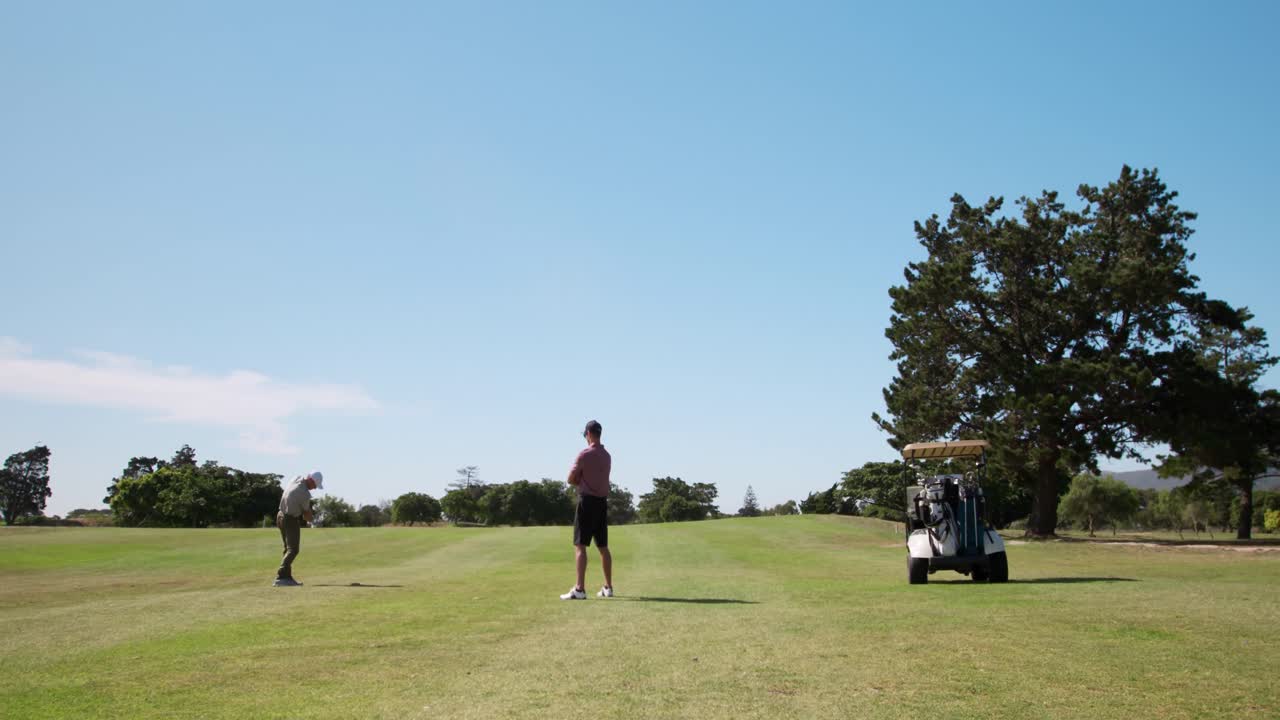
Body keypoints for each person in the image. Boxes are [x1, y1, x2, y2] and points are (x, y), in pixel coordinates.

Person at [561, 420, 613, 600]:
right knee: (603, 547)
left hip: (587, 503)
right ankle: (608, 587)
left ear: (589, 434)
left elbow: (570, 478)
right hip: (602, 503)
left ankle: (580, 589)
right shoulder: (607, 456)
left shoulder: (584, 454)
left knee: (580, 546)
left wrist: (580, 480)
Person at [274, 470, 323, 587]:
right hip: (290, 519)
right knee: (293, 550)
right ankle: (281, 576)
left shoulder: (296, 478)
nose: (314, 488)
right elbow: (307, 516)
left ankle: (287, 577)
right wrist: (313, 520)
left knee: (287, 548)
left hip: (280, 515)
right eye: (315, 485)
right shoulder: (305, 494)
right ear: (311, 481)